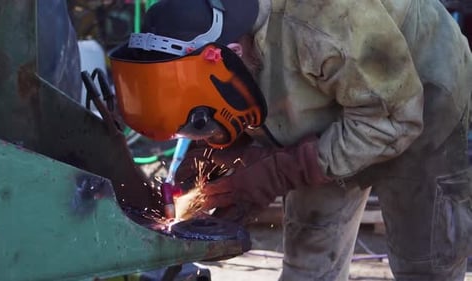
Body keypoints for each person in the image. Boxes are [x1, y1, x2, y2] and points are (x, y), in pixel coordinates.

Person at [109, 0, 472, 280]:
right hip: (332, 86)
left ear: (226, 55)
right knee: (309, 262)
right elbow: (256, 92)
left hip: (419, 100)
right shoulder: (220, 27)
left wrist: (277, 173)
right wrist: (227, 157)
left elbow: (394, 120)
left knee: (424, 262)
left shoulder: (322, 19)